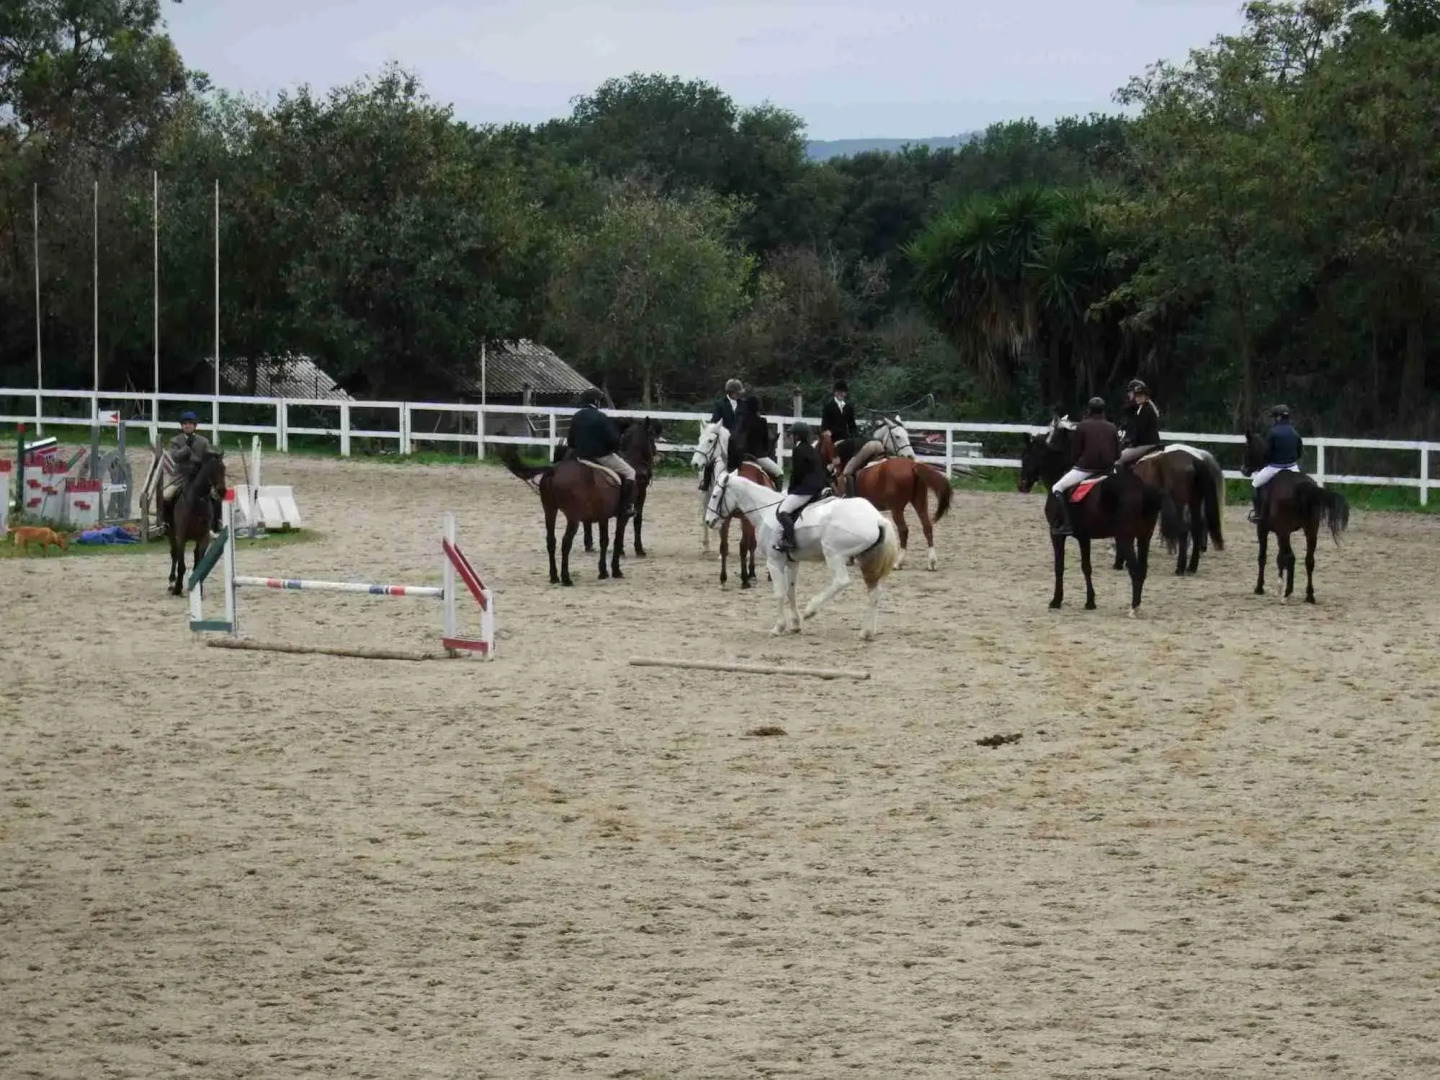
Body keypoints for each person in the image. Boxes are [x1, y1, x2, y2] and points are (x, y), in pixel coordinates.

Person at [1050, 397, 1120, 536]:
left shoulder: (1082, 426)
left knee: (1057, 488)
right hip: (1109, 469)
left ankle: (1067, 524)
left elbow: (1076, 452)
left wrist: (1077, 461)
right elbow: (1118, 453)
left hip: (1086, 469)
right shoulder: (1112, 427)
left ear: (1089, 410)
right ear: (1103, 410)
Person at [567, 387, 636, 516]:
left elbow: (570, 441)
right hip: (601, 457)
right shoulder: (601, 417)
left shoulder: (576, 417)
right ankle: (624, 507)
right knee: (630, 472)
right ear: (596, 402)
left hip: (581, 457)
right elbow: (613, 440)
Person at [162, 410, 221, 534]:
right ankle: (166, 523)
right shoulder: (175, 441)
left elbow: (207, 455)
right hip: (180, 477)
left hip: (198, 476)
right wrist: (186, 448)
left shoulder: (203, 441)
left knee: (216, 495)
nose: (187, 426)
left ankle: (216, 523)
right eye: (185, 424)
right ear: (182, 426)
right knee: (166, 496)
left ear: (194, 426)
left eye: (190, 423)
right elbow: (175, 457)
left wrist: (213, 456)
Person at [773, 421, 828, 553]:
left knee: (782, 511)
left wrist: (792, 490)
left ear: (797, 436)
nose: (790, 437)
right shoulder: (812, 449)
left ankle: (789, 541)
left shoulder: (798, 450)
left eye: (792, 435)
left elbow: (797, 473)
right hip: (818, 486)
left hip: (806, 489)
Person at [1250, 404, 1304, 523]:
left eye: (1275, 417)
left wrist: (1267, 461)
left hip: (1275, 467)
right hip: (1293, 467)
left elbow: (1267, 452)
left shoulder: (1273, 433)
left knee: (1255, 484)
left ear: (1279, 418)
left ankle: (1258, 513)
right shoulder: (1295, 433)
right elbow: (1299, 451)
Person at [728, 395, 784, 483]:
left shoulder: (742, 421)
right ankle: (777, 495)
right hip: (758, 457)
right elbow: (765, 443)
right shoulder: (762, 421)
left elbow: (736, 437)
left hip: (741, 457)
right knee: (779, 473)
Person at [1117, 378, 1162, 468]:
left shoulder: (1145, 410)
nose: (1129, 395)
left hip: (1146, 444)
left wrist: (1130, 442)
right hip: (1147, 443)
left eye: (1131, 393)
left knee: (1118, 459)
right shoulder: (1142, 409)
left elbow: (1139, 430)